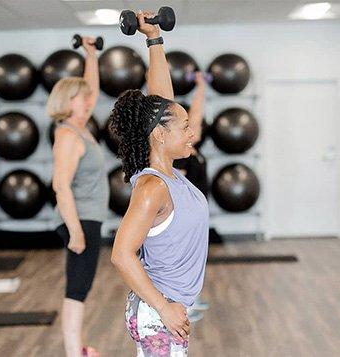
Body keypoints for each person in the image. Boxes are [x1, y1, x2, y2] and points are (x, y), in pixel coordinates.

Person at [109, 11, 209, 357]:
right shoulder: (153, 188)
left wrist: (154, 39)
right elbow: (121, 254)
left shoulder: (169, 175)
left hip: (167, 308)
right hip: (158, 312)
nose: (192, 131)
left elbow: (163, 102)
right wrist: (164, 308)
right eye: (185, 127)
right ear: (161, 136)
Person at [47, 36, 108, 357]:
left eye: (87, 99)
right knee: (76, 290)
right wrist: (75, 230)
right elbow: (60, 185)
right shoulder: (68, 135)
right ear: (66, 102)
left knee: (80, 289)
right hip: (79, 219)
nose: (88, 102)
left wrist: (91, 55)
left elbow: (93, 89)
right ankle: (74, 353)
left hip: (86, 217)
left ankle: (77, 349)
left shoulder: (80, 127)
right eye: (81, 99)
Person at [173, 72, 210, 322]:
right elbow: (176, 188)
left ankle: (191, 300)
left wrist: (200, 87)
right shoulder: (181, 155)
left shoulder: (191, 148)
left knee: (193, 260)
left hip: (194, 216)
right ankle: (184, 306)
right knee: (183, 261)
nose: (193, 128)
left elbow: (196, 115)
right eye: (186, 127)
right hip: (184, 217)